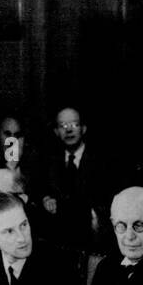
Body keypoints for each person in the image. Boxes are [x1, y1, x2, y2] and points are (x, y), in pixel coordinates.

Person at [41, 107, 107, 250]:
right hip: (60, 245)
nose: (69, 130)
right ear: (56, 132)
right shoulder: (48, 163)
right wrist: (46, 198)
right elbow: (39, 189)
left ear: (83, 128)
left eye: (74, 125)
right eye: (63, 126)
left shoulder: (102, 163)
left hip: (95, 243)